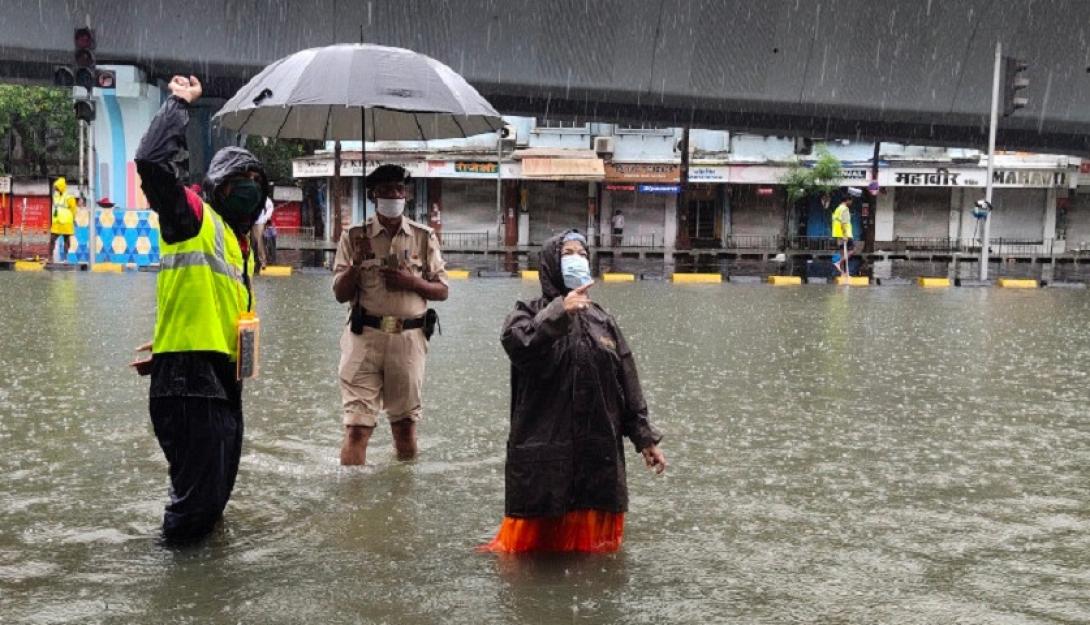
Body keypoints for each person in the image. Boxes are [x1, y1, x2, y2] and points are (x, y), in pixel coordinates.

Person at [129, 75, 269, 544]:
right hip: (191, 384)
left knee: (213, 502)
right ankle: (177, 598)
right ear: (216, 188)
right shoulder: (192, 218)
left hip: (219, 382)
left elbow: (205, 307)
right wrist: (177, 103)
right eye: (238, 183)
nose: (247, 190)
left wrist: (168, 343)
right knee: (194, 512)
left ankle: (206, 593)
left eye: (255, 182)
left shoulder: (239, 246)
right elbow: (151, 160)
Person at [483, 230, 666, 554]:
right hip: (545, 454)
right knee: (526, 559)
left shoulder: (602, 320)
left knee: (595, 559)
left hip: (598, 456)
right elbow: (518, 344)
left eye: (582, 254)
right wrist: (558, 312)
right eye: (568, 252)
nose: (577, 259)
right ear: (552, 261)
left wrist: (645, 439)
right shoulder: (527, 311)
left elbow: (626, 380)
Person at [332, 164, 449, 465]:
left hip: (408, 340)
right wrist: (357, 266)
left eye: (399, 189)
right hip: (364, 339)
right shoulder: (354, 236)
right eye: (386, 191)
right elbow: (340, 294)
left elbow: (442, 290)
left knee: (405, 429)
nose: (394, 195)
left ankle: (403, 497)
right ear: (373, 196)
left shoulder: (424, 238)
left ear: (406, 194)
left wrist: (410, 282)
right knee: (357, 430)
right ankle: (352, 502)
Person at [49, 177, 76, 263]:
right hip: (57, 222)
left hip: (66, 222)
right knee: (52, 239)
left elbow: (73, 209)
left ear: (62, 187)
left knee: (66, 240)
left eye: (57, 187)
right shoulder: (56, 195)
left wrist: (73, 219)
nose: (56, 189)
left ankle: (65, 258)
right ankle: (50, 257)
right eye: (55, 187)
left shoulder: (69, 197)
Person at [831, 190, 857, 276]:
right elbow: (844, 223)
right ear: (847, 200)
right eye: (851, 200)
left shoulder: (838, 209)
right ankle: (838, 262)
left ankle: (843, 273)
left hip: (838, 234)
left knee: (843, 253)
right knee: (853, 250)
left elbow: (836, 221)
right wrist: (845, 234)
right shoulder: (845, 209)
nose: (851, 202)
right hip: (845, 234)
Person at [252, 196, 275, 270]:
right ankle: (250, 261)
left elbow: (270, 206)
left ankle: (263, 261)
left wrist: (266, 217)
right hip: (248, 221)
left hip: (259, 221)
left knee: (259, 241)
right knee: (249, 242)